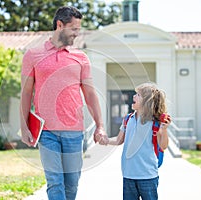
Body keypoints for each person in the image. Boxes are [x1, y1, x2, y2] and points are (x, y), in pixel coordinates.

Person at [20, 6, 107, 200]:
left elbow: (90, 94)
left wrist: (100, 126)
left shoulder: (81, 58)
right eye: (74, 29)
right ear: (59, 25)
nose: (77, 34)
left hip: (74, 132)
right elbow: (26, 93)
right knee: (54, 181)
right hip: (46, 131)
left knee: (71, 184)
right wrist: (24, 126)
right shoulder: (33, 55)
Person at [106, 82, 171, 200]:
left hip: (147, 176)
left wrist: (164, 129)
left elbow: (163, 145)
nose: (134, 97)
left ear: (147, 102)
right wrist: (105, 140)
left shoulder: (155, 122)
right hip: (128, 175)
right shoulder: (128, 119)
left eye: (138, 95)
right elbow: (118, 140)